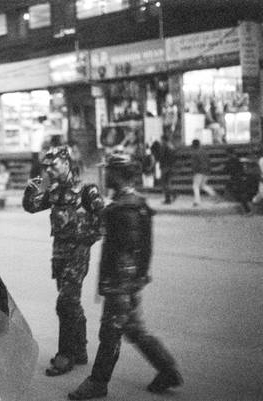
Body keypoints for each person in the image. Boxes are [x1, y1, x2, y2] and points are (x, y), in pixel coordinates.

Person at [68, 153, 183, 400]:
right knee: (134, 329)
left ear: (118, 174)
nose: (105, 174)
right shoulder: (129, 203)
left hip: (121, 283)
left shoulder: (126, 207)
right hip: (128, 281)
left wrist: (120, 286)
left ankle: (98, 382)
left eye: (109, 170)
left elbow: (128, 246)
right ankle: (168, 370)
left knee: (110, 333)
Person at [22, 146, 104, 376]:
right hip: (59, 253)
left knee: (65, 302)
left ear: (66, 163)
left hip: (77, 253)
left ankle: (65, 355)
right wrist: (30, 191)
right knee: (71, 303)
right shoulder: (55, 190)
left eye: (53, 165)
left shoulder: (86, 190)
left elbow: (103, 219)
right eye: (46, 166)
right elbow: (32, 207)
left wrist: (85, 239)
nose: (48, 169)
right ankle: (79, 350)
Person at [190, 139, 218, 206]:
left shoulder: (195, 153)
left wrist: (194, 171)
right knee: (203, 185)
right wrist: (209, 169)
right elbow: (209, 161)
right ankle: (214, 195)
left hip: (199, 171)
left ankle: (197, 201)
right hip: (206, 171)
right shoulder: (204, 152)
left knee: (195, 186)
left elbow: (195, 164)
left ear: (194, 145)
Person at [159, 135, 177, 204]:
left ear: (163, 140)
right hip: (171, 166)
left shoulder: (164, 146)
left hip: (165, 166)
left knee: (164, 184)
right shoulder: (171, 146)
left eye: (161, 140)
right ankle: (170, 197)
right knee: (168, 183)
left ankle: (169, 197)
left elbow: (161, 156)